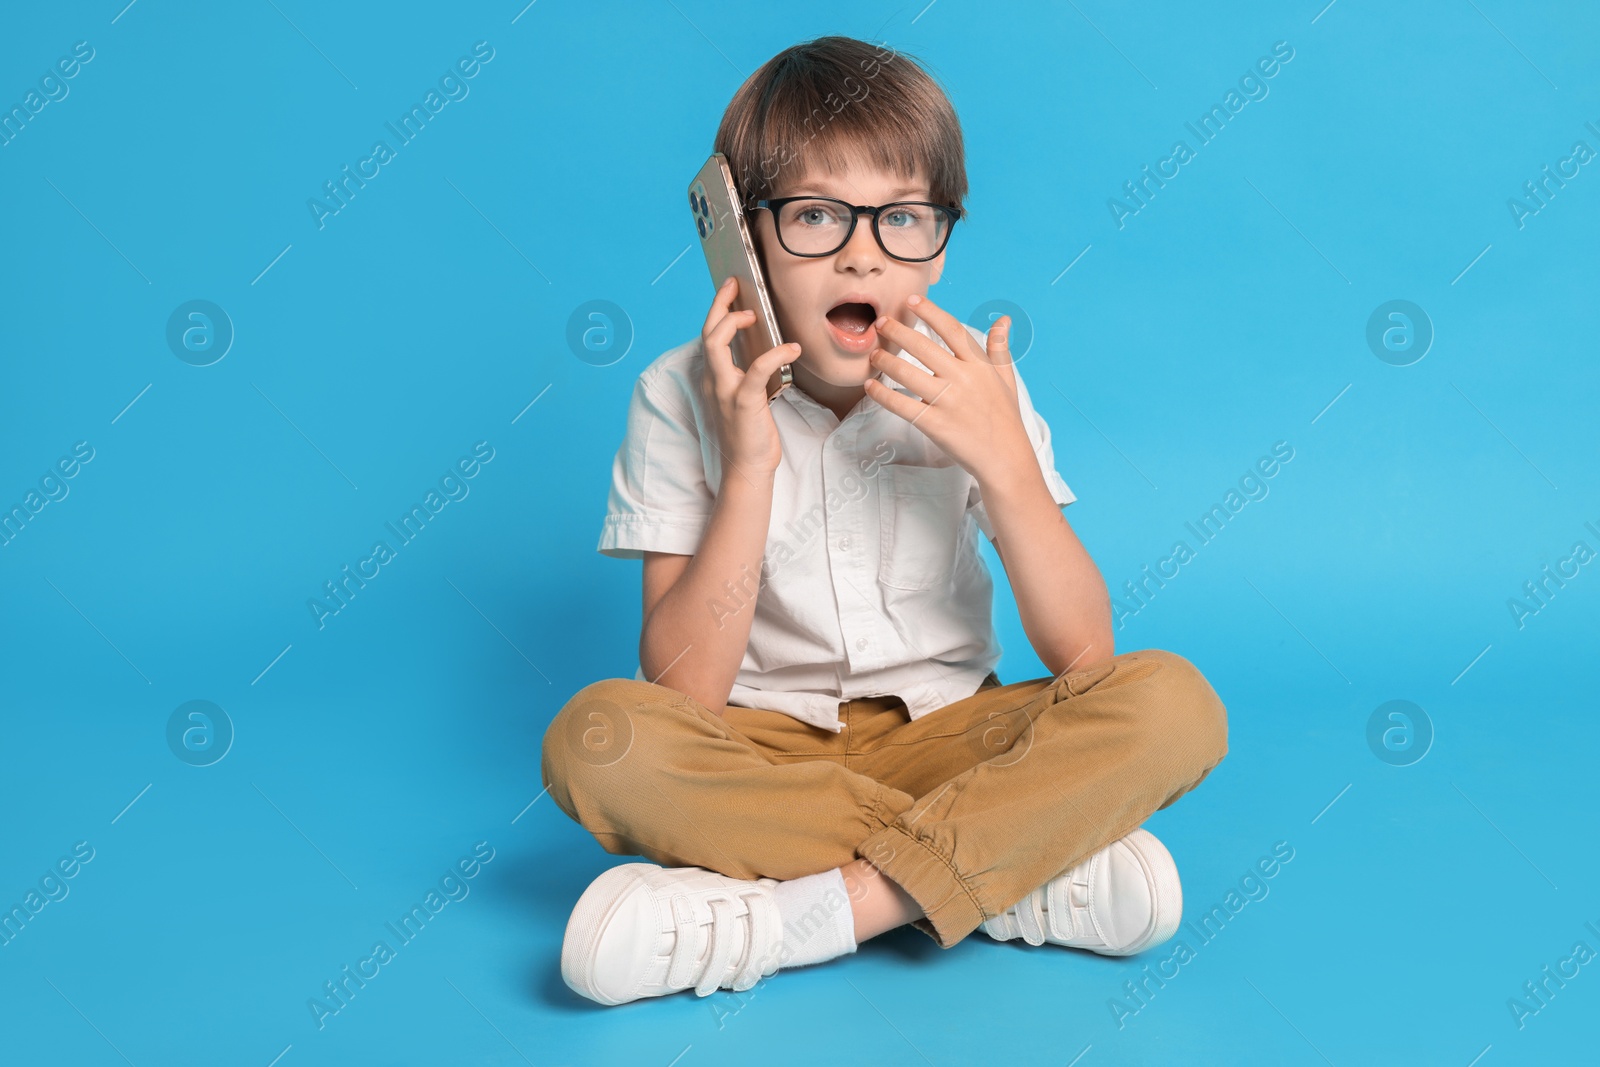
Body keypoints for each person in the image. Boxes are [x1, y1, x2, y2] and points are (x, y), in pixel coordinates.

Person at [541, 34, 1228, 1007]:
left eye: (903, 217)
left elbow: (1085, 653)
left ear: (941, 246)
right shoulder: (678, 393)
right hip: (757, 748)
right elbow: (683, 692)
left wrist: (1007, 463)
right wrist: (748, 469)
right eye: (816, 215)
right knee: (597, 736)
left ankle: (796, 915)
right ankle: (1008, 866)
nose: (862, 250)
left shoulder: (977, 388)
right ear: (741, 237)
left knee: (1173, 700)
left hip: (956, 731)